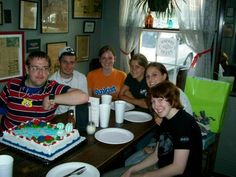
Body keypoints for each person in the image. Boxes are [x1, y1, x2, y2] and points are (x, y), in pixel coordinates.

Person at [102, 81, 203, 177]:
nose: (156, 106)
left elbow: (178, 168)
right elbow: (157, 155)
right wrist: (132, 169)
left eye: (160, 100)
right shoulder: (166, 120)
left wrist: (144, 176)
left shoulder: (183, 124)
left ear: (172, 99)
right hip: (161, 167)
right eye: (153, 101)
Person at [0, 51, 89, 131]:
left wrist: (50, 98)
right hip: (8, 139)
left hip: (38, 140)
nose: (40, 73)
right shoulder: (12, 85)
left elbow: (83, 97)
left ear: (49, 71)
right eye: (35, 68)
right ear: (27, 69)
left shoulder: (52, 87)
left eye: (45, 68)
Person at [125, 62, 193, 166]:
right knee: (133, 154)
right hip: (164, 140)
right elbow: (165, 129)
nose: (150, 80)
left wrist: (155, 149)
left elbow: (178, 132)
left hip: (178, 148)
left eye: (154, 75)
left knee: (130, 161)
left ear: (164, 76)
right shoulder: (156, 96)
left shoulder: (174, 96)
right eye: (147, 76)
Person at [50, 46, 88, 115]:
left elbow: (84, 103)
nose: (68, 66)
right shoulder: (51, 81)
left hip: (78, 115)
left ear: (75, 63)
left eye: (72, 62)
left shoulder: (82, 78)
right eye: (65, 62)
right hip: (58, 118)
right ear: (59, 62)